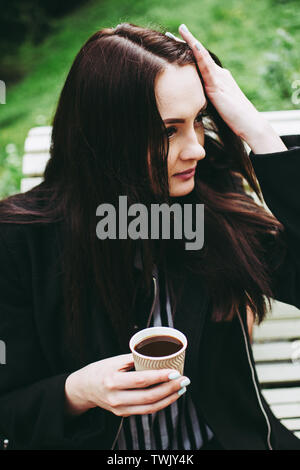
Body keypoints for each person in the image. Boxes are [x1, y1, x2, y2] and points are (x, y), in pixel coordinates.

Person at [0, 22, 299, 451]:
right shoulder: (18, 240)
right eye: (168, 131)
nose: (196, 147)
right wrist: (76, 393)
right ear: (106, 138)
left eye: (199, 121)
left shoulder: (212, 206)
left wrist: (260, 135)